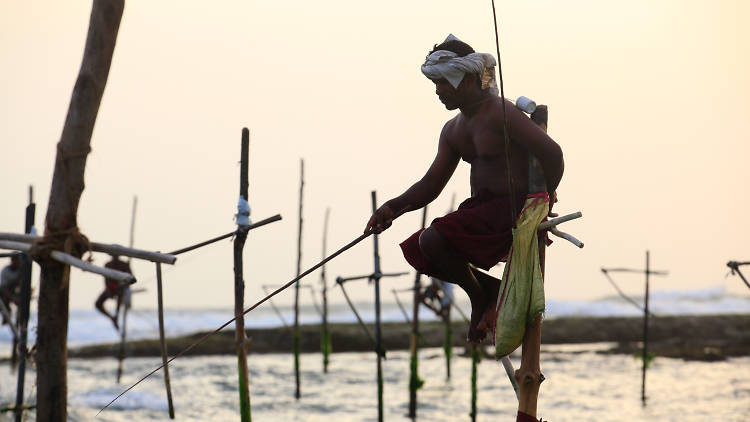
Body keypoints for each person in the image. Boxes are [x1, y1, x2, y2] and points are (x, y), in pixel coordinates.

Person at [365, 35, 563, 344]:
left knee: (432, 238)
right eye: (436, 83)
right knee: (420, 249)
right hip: (482, 210)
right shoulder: (453, 129)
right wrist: (393, 207)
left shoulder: (500, 112)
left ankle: (480, 298)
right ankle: (489, 292)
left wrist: (543, 200)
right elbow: (431, 184)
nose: (438, 90)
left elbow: (552, 154)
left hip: (513, 208)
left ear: (469, 80)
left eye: (443, 82)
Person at [95, 254, 132, 329]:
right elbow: (105, 279)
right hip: (110, 288)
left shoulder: (124, 264)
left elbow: (131, 279)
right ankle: (112, 318)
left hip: (121, 288)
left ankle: (116, 315)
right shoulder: (107, 264)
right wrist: (108, 290)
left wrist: (121, 286)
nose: (115, 257)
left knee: (120, 294)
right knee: (98, 303)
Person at [0, 254, 22, 325]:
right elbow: (4, 288)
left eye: (19, 260)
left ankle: (18, 324)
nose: (18, 262)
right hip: (4, 292)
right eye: (16, 260)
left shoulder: (21, 271)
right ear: (12, 260)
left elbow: (22, 285)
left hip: (14, 291)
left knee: (22, 305)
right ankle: (6, 318)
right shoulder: (5, 271)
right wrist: (13, 299)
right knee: (5, 300)